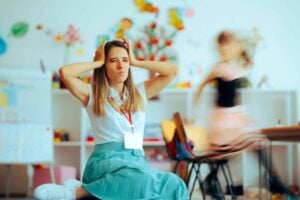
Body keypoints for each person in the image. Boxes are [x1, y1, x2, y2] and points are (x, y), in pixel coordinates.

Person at [34, 38, 189, 200]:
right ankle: (74, 193)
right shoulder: (92, 94)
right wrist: (97, 62)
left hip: (136, 161)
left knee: (175, 184)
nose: (121, 66)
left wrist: (136, 61)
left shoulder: (139, 92)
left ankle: (86, 190)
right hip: (106, 159)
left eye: (125, 60)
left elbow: (172, 71)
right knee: (138, 179)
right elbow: (65, 73)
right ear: (104, 66)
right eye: (113, 61)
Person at [193, 30, 296, 198]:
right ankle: (210, 181)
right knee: (225, 153)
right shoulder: (218, 68)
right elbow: (202, 85)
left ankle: (273, 179)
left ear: (234, 48)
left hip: (235, 116)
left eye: (227, 47)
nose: (223, 51)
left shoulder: (237, 68)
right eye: (221, 48)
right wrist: (196, 106)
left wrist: (243, 47)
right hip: (221, 118)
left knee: (254, 143)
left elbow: (248, 62)